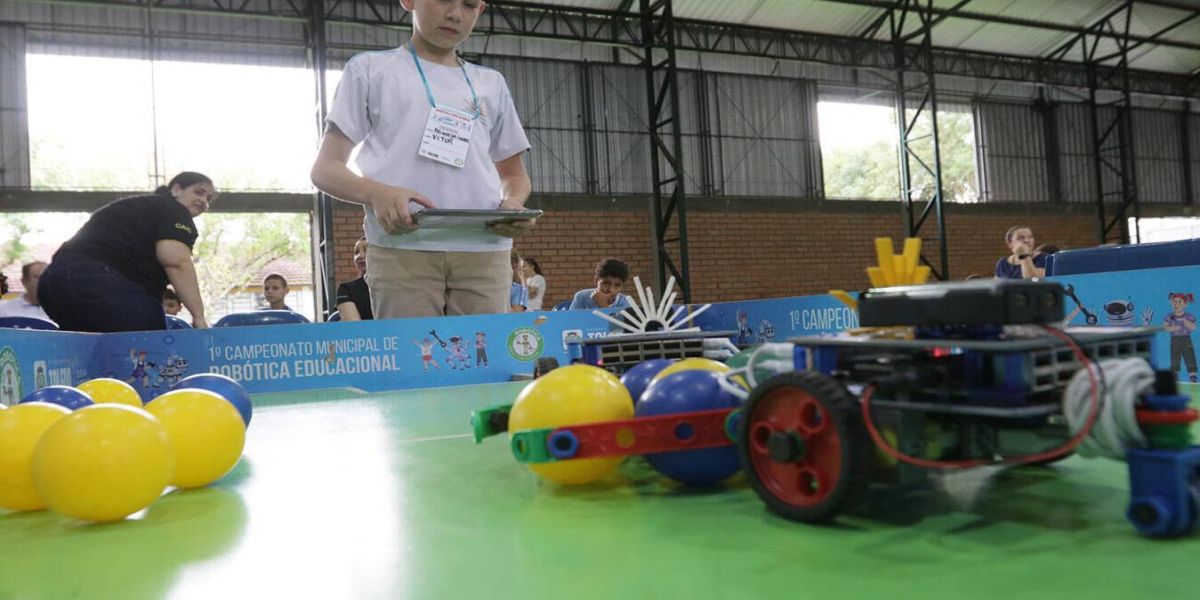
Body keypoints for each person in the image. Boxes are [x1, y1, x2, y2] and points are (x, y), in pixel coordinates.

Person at [310, 0, 533, 320]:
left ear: (480, 11)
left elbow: (514, 174)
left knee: (484, 361)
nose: (456, 14)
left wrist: (513, 203)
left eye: (470, 5)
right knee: (413, 362)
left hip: (484, 251)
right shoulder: (370, 70)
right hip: (401, 247)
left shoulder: (491, 83)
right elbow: (325, 169)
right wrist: (377, 193)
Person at [38, 172, 214, 332]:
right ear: (176, 189)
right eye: (199, 192)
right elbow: (176, 261)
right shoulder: (174, 210)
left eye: (209, 198)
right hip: (102, 281)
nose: (204, 201)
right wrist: (198, 317)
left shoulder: (140, 208)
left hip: (52, 284)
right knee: (148, 353)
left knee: (85, 357)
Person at [335, 236, 373, 321]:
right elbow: (356, 330)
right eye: (356, 252)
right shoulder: (346, 289)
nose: (359, 256)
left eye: (366, 250)